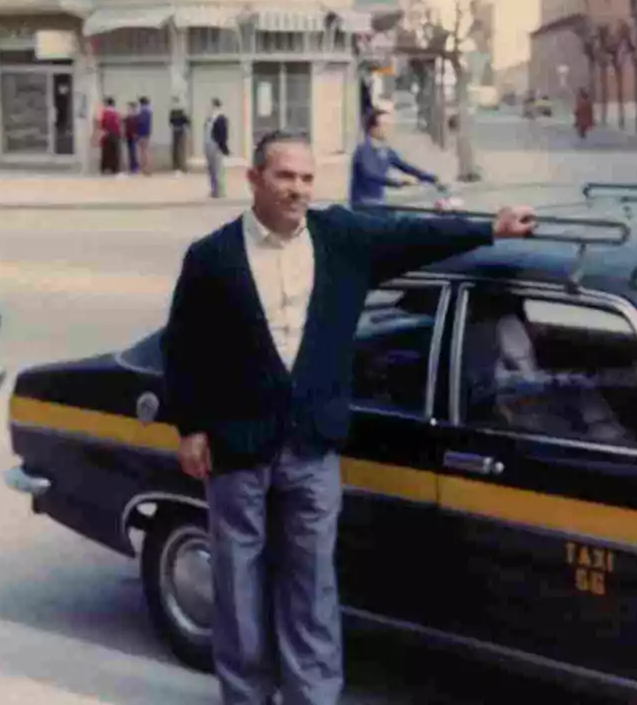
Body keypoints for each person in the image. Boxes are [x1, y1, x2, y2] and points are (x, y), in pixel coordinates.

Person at [162, 129, 536, 705]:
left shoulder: (342, 238)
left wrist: (490, 227)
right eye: (285, 176)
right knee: (238, 590)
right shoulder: (212, 257)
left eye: (307, 178)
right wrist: (189, 427)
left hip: (313, 448)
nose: (298, 189)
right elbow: (184, 348)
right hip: (237, 448)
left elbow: (415, 235)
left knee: (312, 588)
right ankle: (247, 697)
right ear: (254, 180)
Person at [350, 107, 440, 209]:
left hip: (379, 202)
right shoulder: (363, 150)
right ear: (373, 129)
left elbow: (405, 166)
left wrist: (430, 178)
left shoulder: (386, 150)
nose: (390, 129)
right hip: (363, 204)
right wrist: (398, 182)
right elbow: (372, 175)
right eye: (386, 126)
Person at [203, 98, 230, 198]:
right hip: (209, 145)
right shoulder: (209, 118)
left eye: (210, 106)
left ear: (215, 106)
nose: (208, 108)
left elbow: (223, 134)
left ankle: (220, 191)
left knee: (218, 169)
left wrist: (223, 147)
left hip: (216, 146)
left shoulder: (221, 118)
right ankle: (214, 189)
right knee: (211, 169)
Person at [96, 98, 121, 175]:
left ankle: (105, 168)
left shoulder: (105, 113)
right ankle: (115, 169)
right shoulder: (116, 114)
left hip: (107, 134)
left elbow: (103, 124)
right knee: (115, 152)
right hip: (115, 134)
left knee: (106, 152)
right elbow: (118, 125)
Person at [169, 98, 190, 175]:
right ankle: (180, 167)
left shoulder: (174, 112)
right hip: (179, 131)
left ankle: (178, 167)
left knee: (178, 149)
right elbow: (188, 122)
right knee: (180, 149)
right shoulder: (181, 112)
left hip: (177, 131)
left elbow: (170, 122)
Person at [124, 101, 141, 175]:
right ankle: (132, 167)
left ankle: (135, 168)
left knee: (133, 152)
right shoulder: (128, 117)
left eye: (130, 107)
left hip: (133, 136)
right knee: (130, 152)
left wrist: (136, 134)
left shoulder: (136, 117)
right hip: (128, 136)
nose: (128, 109)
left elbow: (137, 127)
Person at [137, 96, 153, 174]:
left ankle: (145, 168)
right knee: (145, 151)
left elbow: (141, 123)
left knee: (144, 152)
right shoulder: (149, 111)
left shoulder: (143, 112)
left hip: (142, 134)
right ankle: (147, 168)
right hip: (146, 134)